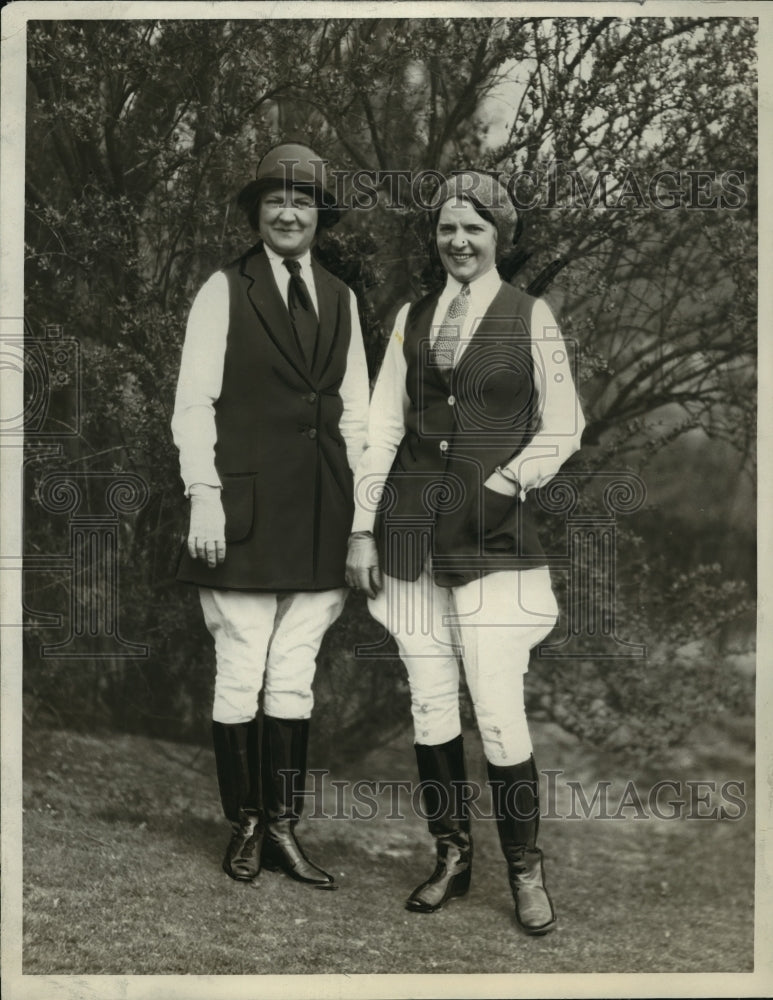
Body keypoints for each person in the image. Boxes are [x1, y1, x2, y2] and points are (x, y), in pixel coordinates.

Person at [346, 171, 584, 934]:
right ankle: (450, 856)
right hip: (410, 531)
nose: (458, 241)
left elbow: (563, 423)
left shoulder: (529, 316)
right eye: (447, 229)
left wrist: (512, 480)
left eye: (473, 229)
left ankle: (524, 870)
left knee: (499, 708)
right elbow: (382, 425)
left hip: (494, 539)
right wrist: (361, 526)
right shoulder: (412, 318)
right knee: (428, 699)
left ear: (498, 238)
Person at [172, 141, 368, 888]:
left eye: (304, 201)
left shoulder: (343, 299)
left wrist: (361, 522)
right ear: (257, 213)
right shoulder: (225, 289)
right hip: (241, 512)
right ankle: (246, 826)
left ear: (320, 216)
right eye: (275, 201)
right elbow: (194, 403)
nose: (289, 213)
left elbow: (354, 418)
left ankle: (284, 828)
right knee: (240, 666)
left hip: (323, 513)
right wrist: (204, 495)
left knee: (293, 674)